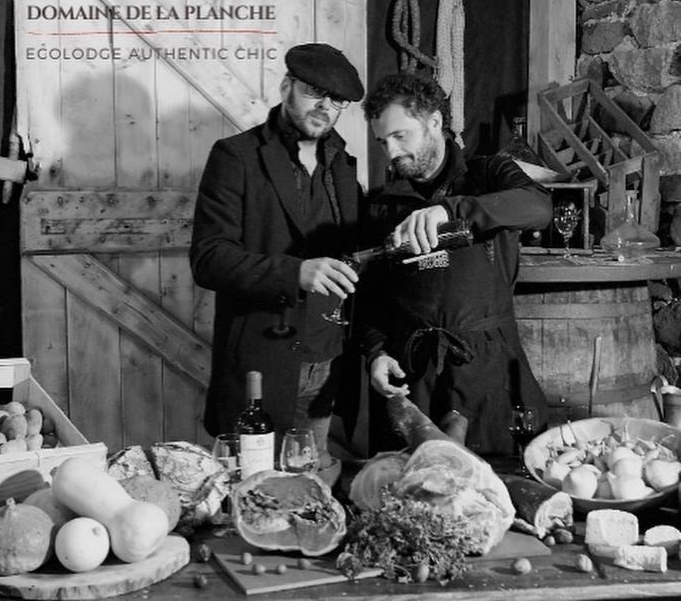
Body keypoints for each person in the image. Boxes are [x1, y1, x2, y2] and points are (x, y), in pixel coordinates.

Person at [357, 70, 551, 455]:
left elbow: (539, 207)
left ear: (434, 122)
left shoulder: (489, 173)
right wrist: (377, 353)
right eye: (383, 141)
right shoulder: (384, 203)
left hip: (488, 366)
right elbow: (372, 299)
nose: (391, 152)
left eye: (400, 136)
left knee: (496, 490)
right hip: (413, 375)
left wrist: (449, 209)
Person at [190, 43, 365, 469]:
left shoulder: (343, 165)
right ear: (286, 86)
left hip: (326, 362)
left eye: (336, 101)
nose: (325, 107)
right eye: (314, 93)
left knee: (311, 482)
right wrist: (295, 273)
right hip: (260, 362)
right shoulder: (235, 157)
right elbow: (209, 258)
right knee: (252, 485)